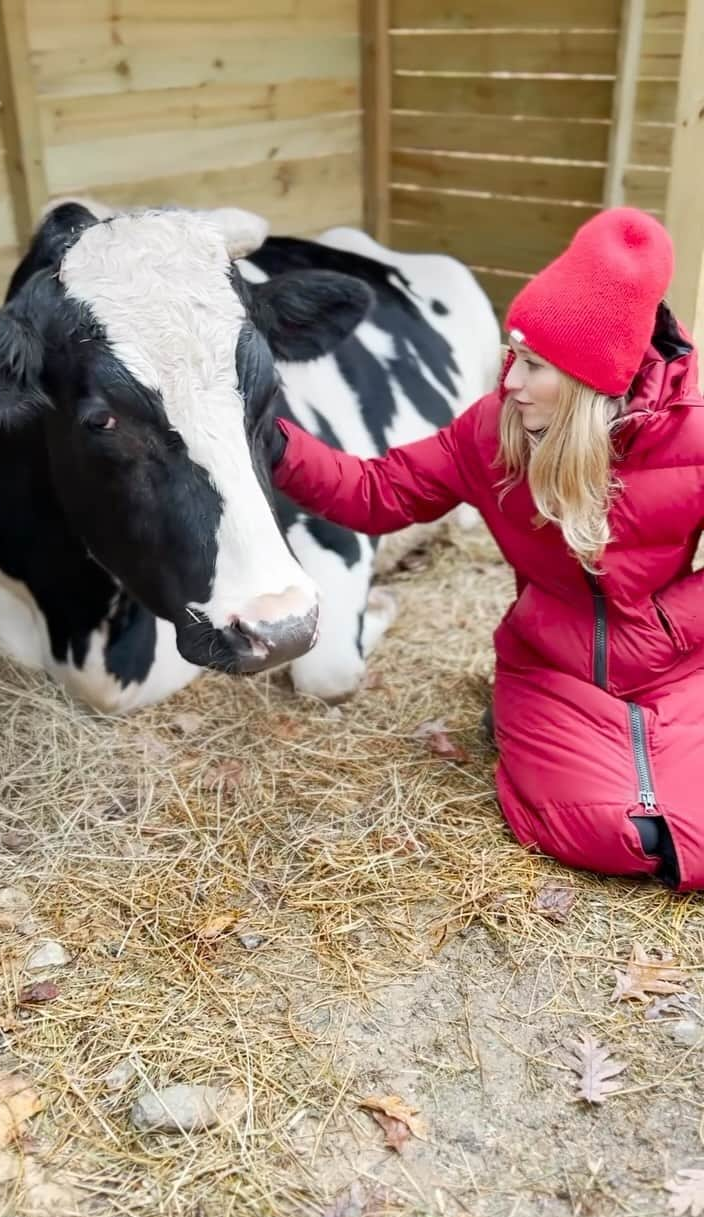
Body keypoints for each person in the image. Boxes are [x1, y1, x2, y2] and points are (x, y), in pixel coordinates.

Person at [268, 208, 704, 892]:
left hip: (677, 671)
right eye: (512, 353)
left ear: (592, 379)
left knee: (690, 831)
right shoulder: (489, 435)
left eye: (533, 365)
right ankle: (526, 723)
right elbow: (377, 493)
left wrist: (669, 625)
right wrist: (272, 437)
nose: (509, 382)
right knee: (612, 832)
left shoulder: (692, 441)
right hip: (550, 668)